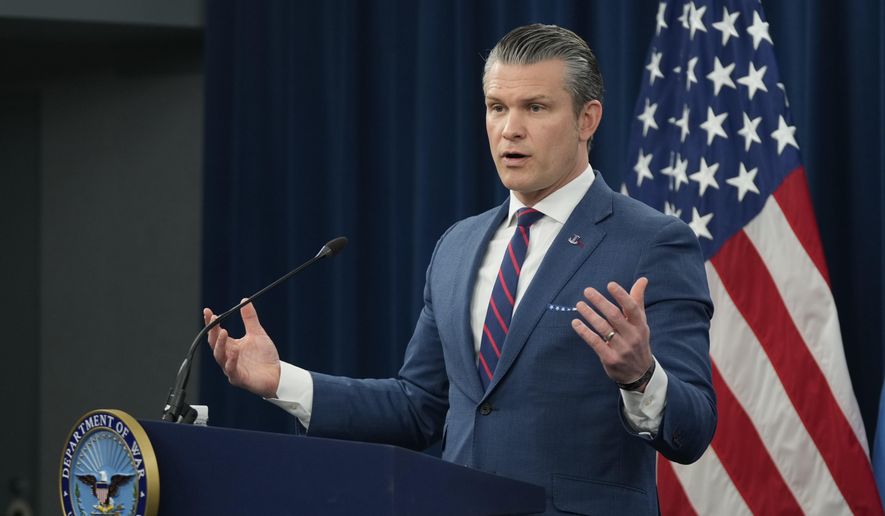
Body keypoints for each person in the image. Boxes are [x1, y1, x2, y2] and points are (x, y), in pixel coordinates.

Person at [205, 24, 716, 515]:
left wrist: (641, 377)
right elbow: (417, 408)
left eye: (535, 107)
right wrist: (280, 381)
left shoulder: (651, 243)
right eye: (497, 107)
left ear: (588, 120)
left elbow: (693, 430)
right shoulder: (459, 245)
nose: (510, 128)